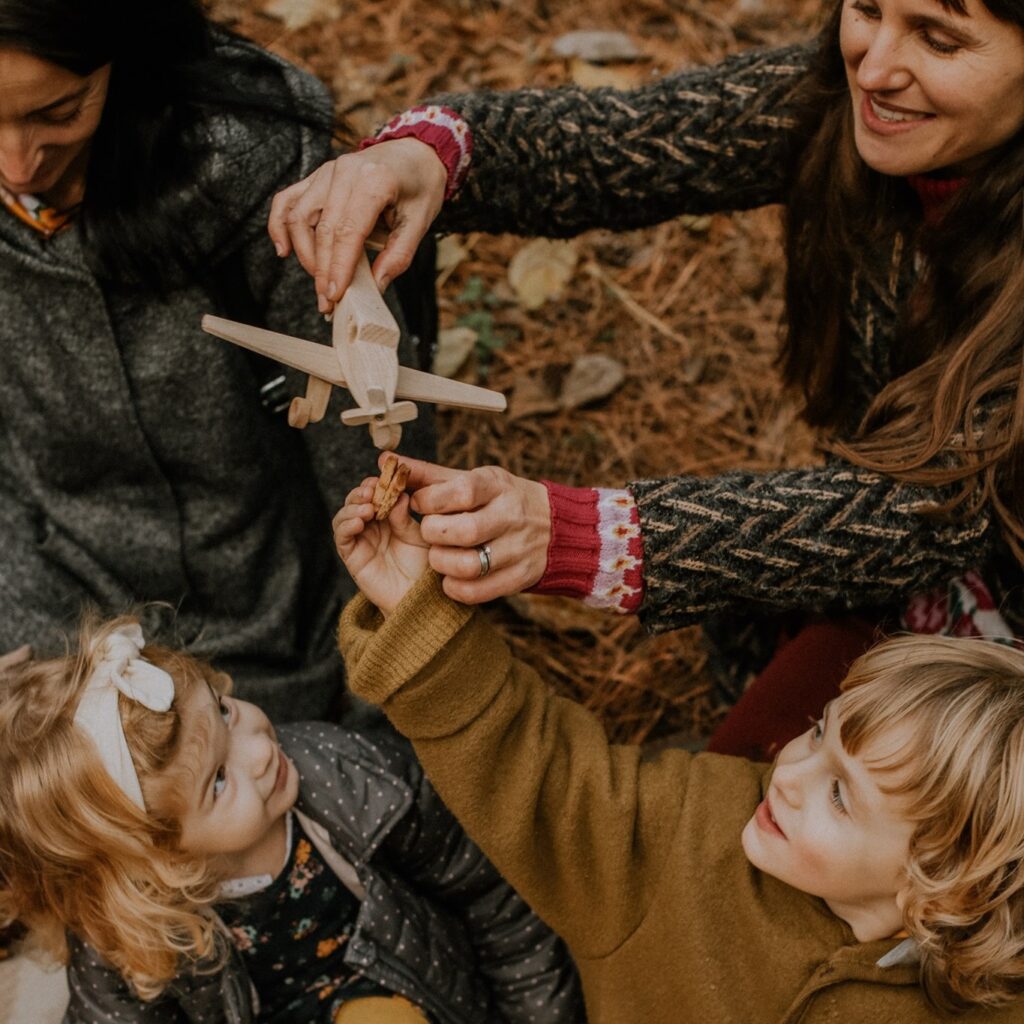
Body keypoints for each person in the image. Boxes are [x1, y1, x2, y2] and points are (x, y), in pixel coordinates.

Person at [268, 0, 1024, 751]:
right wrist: (427, 155)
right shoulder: (839, 96)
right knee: (743, 793)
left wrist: (589, 536)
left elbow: (937, 503)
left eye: (939, 38)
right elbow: (628, 141)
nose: (877, 65)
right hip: (901, 580)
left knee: (763, 832)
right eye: (867, 7)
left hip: (989, 612)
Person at [332, 478, 1024, 1022]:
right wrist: (421, 620)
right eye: (818, 731)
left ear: (942, 889)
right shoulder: (684, 837)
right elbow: (542, 779)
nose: (786, 771)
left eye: (841, 795)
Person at [0, 0, 435, 723]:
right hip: (47, 598)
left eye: (59, 110)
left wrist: (388, 674)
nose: (17, 163)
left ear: (124, 55)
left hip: (275, 622)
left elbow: (368, 458)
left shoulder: (250, 169)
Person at [0, 616, 583, 1024]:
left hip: (412, 986)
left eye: (224, 710)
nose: (256, 748)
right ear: (160, 856)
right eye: (218, 781)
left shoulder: (354, 781)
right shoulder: (127, 931)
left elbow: (495, 901)